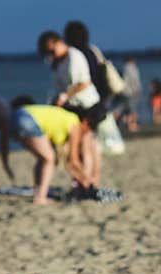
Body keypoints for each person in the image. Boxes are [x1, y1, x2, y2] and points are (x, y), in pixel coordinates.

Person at [37, 30, 104, 195]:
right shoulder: (58, 62)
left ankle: (88, 184)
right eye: (48, 52)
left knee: (86, 145)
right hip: (73, 108)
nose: (51, 54)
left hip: (88, 106)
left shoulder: (74, 56)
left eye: (52, 50)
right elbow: (60, 87)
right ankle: (85, 182)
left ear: (59, 42)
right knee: (81, 147)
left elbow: (84, 83)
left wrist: (65, 96)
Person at [8, 96, 101, 205]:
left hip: (14, 117)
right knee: (48, 159)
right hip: (27, 119)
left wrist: (80, 177)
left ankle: (38, 191)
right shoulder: (75, 124)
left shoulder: (63, 118)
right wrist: (87, 179)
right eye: (90, 129)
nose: (87, 133)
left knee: (43, 159)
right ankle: (40, 197)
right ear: (85, 123)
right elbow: (73, 161)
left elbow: (68, 162)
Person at [114, 56, 141, 132]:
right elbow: (134, 81)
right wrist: (137, 90)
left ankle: (114, 124)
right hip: (131, 92)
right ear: (131, 61)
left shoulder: (123, 69)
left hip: (123, 92)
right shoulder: (132, 69)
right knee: (132, 110)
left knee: (120, 109)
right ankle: (132, 126)